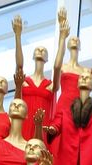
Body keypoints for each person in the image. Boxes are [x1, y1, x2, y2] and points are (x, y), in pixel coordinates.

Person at [12, 10, 69, 140]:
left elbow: (57, 66)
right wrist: (18, 35)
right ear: (33, 56)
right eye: (37, 49)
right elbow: (19, 65)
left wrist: (62, 35)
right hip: (24, 129)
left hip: (42, 130)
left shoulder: (50, 85)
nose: (41, 50)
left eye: (44, 50)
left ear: (47, 58)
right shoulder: (24, 81)